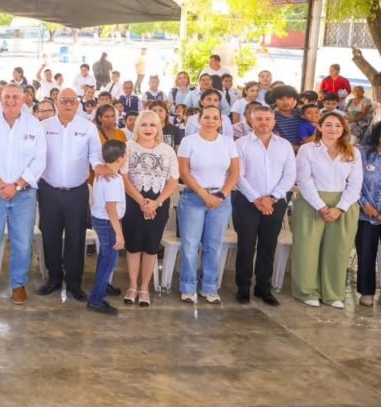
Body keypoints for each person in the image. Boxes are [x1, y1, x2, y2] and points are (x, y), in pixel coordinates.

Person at [0, 83, 47, 305]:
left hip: (23, 194)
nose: (11, 101)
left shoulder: (34, 125)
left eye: (16, 97)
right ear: (0, 98)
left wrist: (16, 186)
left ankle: (18, 284)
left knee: (22, 241)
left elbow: (40, 160)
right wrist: (1, 185)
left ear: (24, 99)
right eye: (7, 96)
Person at [36, 88, 107, 302]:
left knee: (76, 238)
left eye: (72, 101)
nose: (68, 104)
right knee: (50, 236)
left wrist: (100, 167)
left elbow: (95, 155)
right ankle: (54, 278)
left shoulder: (87, 127)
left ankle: (74, 283)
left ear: (77, 104)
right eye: (64, 100)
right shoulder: (44, 127)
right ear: (56, 102)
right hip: (49, 190)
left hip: (77, 192)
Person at [292, 112, 362, 308]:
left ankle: (333, 294)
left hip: (343, 205)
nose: (333, 129)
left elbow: (355, 184)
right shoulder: (307, 150)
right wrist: (321, 206)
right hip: (312, 202)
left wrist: (339, 208)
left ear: (344, 129)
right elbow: (303, 180)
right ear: (319, 127)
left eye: (338, 126)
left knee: (338, 250)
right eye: (329, 124)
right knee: (307, 248)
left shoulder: (353, 152)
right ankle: (307, 291)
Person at [233, 106, 296, 306]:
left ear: (274, 121)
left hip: (275, 203)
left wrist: (272, 198)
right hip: (246, 202)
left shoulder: (284, 145)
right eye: (259, 119)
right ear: (251, 121)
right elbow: (238, 175)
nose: (263, 122)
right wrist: (257, 199)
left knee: (268, 246)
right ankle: (243, 288)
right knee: (246, 246)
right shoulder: (241, 144)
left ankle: (263, 288)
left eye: (268, 119)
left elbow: (290, 175)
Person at [177, 105, 240, 304]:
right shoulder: (189, 141)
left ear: (221, 121)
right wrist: (204, 194)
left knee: (213, 245)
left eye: (215, 118)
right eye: (207, 117)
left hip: (221, 199)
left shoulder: (228, 142)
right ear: (199, 120)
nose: (211, 121)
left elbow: (235, 172)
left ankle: (209, 286)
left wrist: (221, 195)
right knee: (190, 245)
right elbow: (184, 173)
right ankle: (188, 286)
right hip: (193, 197)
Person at [121, 110, 178, 308]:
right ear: (137, 127)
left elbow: (173, 181)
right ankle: (132, 286)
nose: (148, 128)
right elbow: (124, 178)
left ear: (159, 128)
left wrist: (156, 202)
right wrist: (142, 202)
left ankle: (144, 287)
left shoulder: (167, 150)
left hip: (159, 204)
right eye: (144, 124)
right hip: (133, 202)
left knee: (151, 247)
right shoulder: (128, 147)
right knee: (134, 246)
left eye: (152, 125)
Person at [88, 140, 128, 315]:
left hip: (101, 219)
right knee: (110, 259)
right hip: (108, 222)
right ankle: (96, 300)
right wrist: (119, 234)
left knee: (105, 256)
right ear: (120, 159)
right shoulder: (112, 179)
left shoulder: (102, 174)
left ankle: (103, 285)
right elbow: (111, 208)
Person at [355, 121, 381, 306]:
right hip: (365, 214)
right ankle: (366, 292)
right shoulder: (362, 153)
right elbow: (353, 182)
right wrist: (364, 204)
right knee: (365, 253)